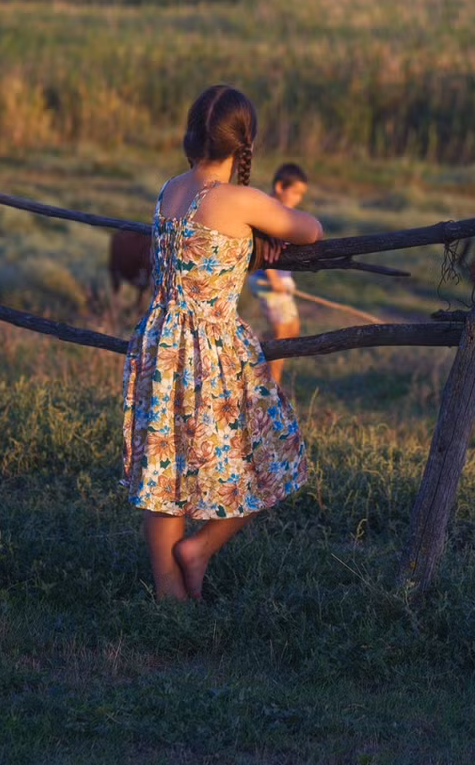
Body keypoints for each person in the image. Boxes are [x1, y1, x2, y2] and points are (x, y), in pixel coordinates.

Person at [121, 85, 324, 601]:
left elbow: (198, 256)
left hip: (160, 344)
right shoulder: (240, 200)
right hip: (212, 347)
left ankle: (170, 596)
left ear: (191, 136)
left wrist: (250, 245)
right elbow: (310, 229)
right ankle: (199, 549)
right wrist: (261, 228)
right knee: (274, 453)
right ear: (243, 143)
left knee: (162, 470)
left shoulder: (169, 189)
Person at [248, 163, 309, 385]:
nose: (298, 199)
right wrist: (273, 278)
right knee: (282, 332)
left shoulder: (281, 211)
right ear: (280, 186)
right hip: (267, 280)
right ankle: (273, 383)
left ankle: (256, 353)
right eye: (296, 193)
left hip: (281, 280)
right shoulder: (268, 210)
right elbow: (263, 247)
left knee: (292, 329)